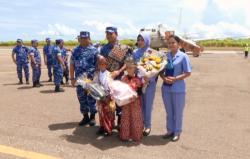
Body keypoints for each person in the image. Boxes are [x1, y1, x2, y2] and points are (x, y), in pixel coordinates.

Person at [160, 35, 192, 142]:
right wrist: (164, 78)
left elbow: (188, 73)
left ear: (178, 44)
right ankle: (170, 131)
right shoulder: (165, 56)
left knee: (178, 112)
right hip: (166, 88)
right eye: (169, 43)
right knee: (169, 112)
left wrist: (175, 79)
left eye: (173, 42)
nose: (171, 44)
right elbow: (160, 70)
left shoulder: (183, 56)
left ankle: (177, 132)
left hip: (178, 89)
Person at [100, 26, 132, 130]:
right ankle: (108, 124)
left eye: (110, 33)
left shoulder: (123, 47)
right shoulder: (104, 48)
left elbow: (128, 62)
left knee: (119, 101)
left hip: (119, 78)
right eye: (107, 34)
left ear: (116, 34)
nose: (108, 36)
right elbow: (101, 63)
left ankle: (120, 124)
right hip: (107, 79)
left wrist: (118, 71)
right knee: (107, 101)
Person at [70, 31, 99, 126]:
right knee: (81, 98)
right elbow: (72, 65)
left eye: (85, 38)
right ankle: (85, 117)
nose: (83, 40)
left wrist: (97, 78)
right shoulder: (75, 51)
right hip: (79, 80)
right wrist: (72, 78)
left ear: (89, 39)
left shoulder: (94, 50)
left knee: (92, 98)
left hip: (91, 79)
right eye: (81, 38)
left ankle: (92, 117)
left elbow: (97, 66)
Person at [133, 32, 158, 136]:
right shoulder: (135, 52)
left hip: (149, 83)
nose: (140, 42)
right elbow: (134, 67)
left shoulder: (153, 52)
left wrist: (148, 78)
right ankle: (140, 124)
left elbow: (157, 68)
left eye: (142, 40)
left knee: (148, 105)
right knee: (139, 105)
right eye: (138, 40)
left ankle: (147, 126)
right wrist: (136, 80)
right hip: (138, 83)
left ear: (147, 40)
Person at [119, 57, 143, 142]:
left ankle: (135, 135)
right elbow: (120, 91)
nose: (129, 69)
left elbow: (140, 91)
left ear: (135, 68)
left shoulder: (139, 78)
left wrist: (135, 95)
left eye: (131, 67)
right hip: (126, 102)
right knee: (126, 117)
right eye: (128, 68)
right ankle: (125, 136)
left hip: (135, 102)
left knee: (135, 118)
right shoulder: (123, 78)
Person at [94, 56, 116, 136]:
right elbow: (94, 83)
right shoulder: (97, 73)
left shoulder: (109, 74)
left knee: (108, 113)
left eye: (103, 64)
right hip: (99, 97)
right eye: (100, 64)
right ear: (98, 65)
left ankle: (108, 128)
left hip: (107, 96)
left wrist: (110, 95)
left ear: (106, 65)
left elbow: (111, 86)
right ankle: (102, 127)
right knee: (100, 112)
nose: (102, 65)